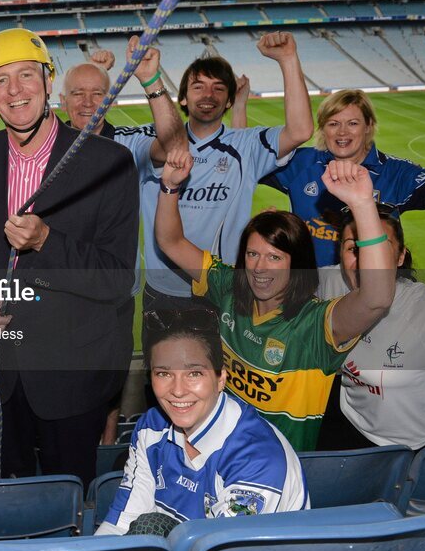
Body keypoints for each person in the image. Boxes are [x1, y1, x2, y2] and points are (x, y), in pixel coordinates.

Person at [0, 27, 138, 487]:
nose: (15, 91)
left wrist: (47, 242)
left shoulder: (107, 162)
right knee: (9, 501)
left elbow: (116, 278)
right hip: (0, 373)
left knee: (70, 502)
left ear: (49, 82)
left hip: (72, 377)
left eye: (27, 75)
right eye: (0, 80)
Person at [155, 150, 397, 451]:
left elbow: (376, 299)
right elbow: (170, 242)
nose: (259, 268)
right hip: (220, 453)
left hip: (278, 474)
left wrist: (362, 205)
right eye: (252, 254)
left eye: (274, 257)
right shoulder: (232, 286)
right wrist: (169, 187)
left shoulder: (315, 326)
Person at [134, 32, 314, 348]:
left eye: (219, 88)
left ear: (229, 100)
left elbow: (300, 130)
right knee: (161, 379)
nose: (209, 94)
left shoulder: (246, 146)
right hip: (163, 290)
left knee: (222, 378)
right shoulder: (153, 144)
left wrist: (288, 59)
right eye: (199, 86)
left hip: (222, 289)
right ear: (183, 98)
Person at [60, 39, 186, 444]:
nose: (87, 101)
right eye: (77, 93)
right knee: (60, 389)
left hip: (115, 294)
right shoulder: (46, 146)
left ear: (111, 98)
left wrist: (150, 81)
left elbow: (173, 147)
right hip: (62, 294)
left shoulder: (126, 144)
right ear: (62, 102)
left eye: (98, 93)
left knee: (110, 383)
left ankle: (106, 452)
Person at [96, 308, 308, 535]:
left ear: (221, 379)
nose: (177, 391)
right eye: (164, 374)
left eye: (194, 373)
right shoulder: (152, 426)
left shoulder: (258, 459)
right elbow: (122, 521)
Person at [316, 205, 425, 450]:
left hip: (398, 447)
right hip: (344, 415)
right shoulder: (332, 283)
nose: (365, 261)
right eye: (353, 248)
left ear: (400, 257)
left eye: (377, 249)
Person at [263, 87, 425, 265]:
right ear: (323, 129)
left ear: (368, 126)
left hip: (368, 287)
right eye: (333, 123)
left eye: (352, 123)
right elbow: (245, 164)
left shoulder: (394, 172)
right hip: (309, 287)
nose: (342, 132)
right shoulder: (302, 162)